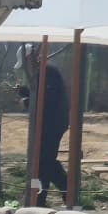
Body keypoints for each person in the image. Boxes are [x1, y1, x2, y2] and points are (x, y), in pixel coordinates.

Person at [32, 64, 70, 202]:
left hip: (53, 123)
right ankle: (40, 196)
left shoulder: (48, 74)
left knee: (44, 160)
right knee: (42, 160)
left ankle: (65, 187)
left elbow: (47, 100)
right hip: (49, 122)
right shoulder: (41, 73)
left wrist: (29, 101)